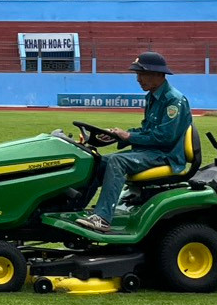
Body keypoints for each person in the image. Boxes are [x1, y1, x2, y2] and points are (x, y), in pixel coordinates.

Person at [74, 51, 193, 233]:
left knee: (117, 161)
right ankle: (76, 209)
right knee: (99, 160)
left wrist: (128, 137)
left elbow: (164, 138)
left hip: (165, 156)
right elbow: (147, 131)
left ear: (158, 75)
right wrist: (118, 134)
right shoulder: (152, 97)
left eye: (142, 74)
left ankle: (103, 218)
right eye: (138, 74)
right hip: (152, 152)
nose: (138, 79)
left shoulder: (173, 101)